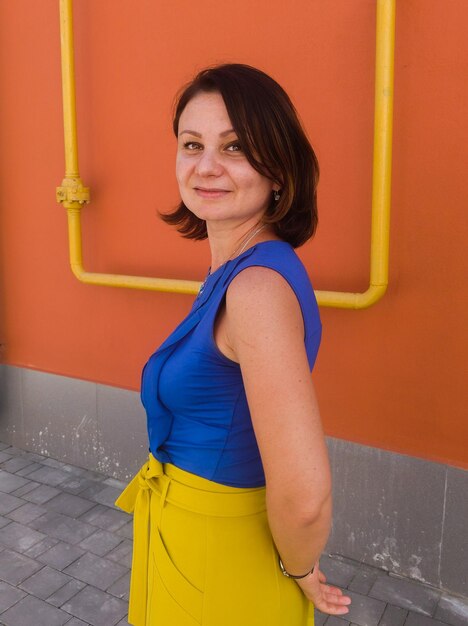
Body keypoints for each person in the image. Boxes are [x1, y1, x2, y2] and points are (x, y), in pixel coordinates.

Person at [115, 63, 351, 626]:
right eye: (192, 144)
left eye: (236, 147)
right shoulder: (239, 270)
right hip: (191, 541)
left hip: (221, 557)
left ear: (279, 171)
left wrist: (299, 571)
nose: (206, 166)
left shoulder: (256, 290)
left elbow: (306, 493)